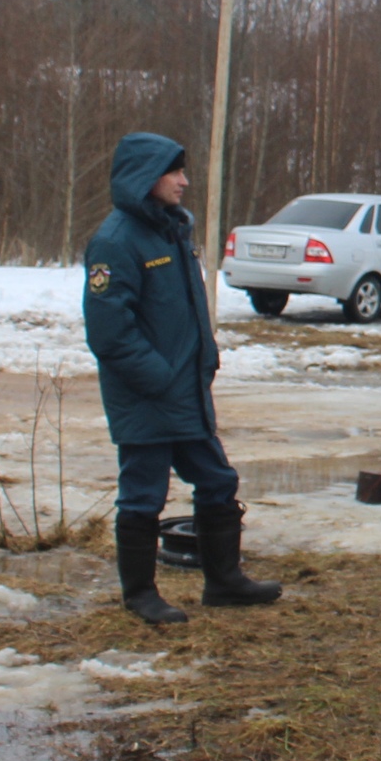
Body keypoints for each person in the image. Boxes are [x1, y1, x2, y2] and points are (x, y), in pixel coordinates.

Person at [83, 131, 282, 624]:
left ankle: (224, 581)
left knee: (217, 479)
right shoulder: (115, 241)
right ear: (146, 177)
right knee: (144, 494)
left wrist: (203, 362)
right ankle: (140, 595)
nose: (184, 181)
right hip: (149, 395)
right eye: (175, 172)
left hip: (186, 392)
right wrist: (159, 376)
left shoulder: (171, 230)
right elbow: (109, 333)